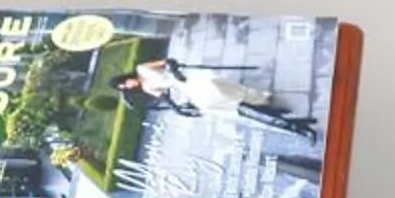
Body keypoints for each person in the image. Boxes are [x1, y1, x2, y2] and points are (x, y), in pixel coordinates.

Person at [116, 55, 316, 134]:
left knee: (232, 92)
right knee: (230, 106)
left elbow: (168, 60)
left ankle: (276, 112)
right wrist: (177, 109)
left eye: (125, 81)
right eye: (126, 87)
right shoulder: (147, 88)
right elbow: (165, 97)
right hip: (188, 90)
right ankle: (290, 122)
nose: (129, 84)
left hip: (190, 78)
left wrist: (173, 68)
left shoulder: (141, 67)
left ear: (127, 77)